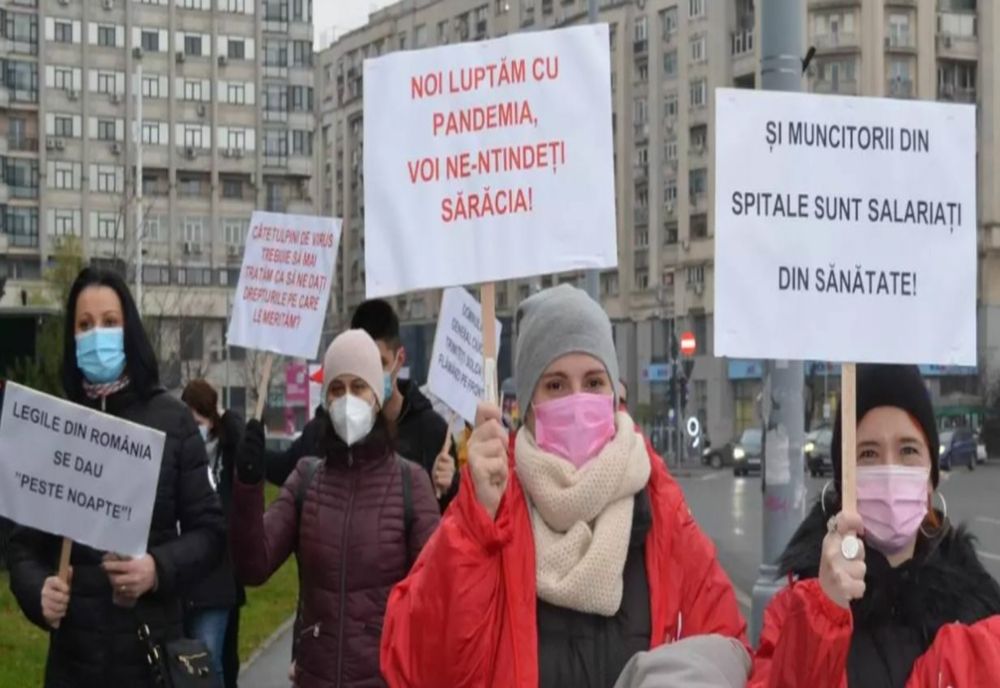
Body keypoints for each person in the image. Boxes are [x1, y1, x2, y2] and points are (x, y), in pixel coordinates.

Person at [381, 285, 748, 687]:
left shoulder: (664, 517)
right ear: (528, 404)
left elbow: (730, 655)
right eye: (555, 385)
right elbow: (418, 665)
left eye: (593, 382)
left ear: (613, 395)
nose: (577, 401)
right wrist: (473, 527)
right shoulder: (491, 510)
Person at [7, 267, 226, 687]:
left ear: (129, 330)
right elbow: (22, 548)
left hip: (150, 660)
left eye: (109, 323)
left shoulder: (174, 422)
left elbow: (210, 533)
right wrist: (38, 593)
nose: (97, 336)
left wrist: (156, 568)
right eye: (85, 325)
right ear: (72, 339)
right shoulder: (55, 426)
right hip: (74, 666)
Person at [751, 364, 1000, 688]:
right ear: (843, 482)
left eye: (908, 449)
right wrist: (823, 611)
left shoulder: (981, 608)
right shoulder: (797, 612)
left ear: (931, 477)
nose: (889, 468)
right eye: (868, 453)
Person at [231, 329, 441, 688]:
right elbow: (254, 565)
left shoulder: (411, 483)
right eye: (337, 388)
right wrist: (248, 485)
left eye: (358, 387)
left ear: (377, 395)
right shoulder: (306, 479)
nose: (347, 399)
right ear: (326, 398)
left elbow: (436, 599)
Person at [265, 299, 458, 510]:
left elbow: (450, 525)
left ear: (399, 359)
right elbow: (284, 473)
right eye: (363, 365)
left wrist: (451, 486)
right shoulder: (325, 429)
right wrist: (249, 449)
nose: (370, 375)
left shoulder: (432, 431)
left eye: (379, 363)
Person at [181, 379, 245, 688]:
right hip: (182, 580)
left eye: (199, 422)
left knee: (210, 663)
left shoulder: (226, 454)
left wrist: (227, 418)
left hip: (217, 580)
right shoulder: (178, 459)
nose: (194, 431)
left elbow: (243, 442)